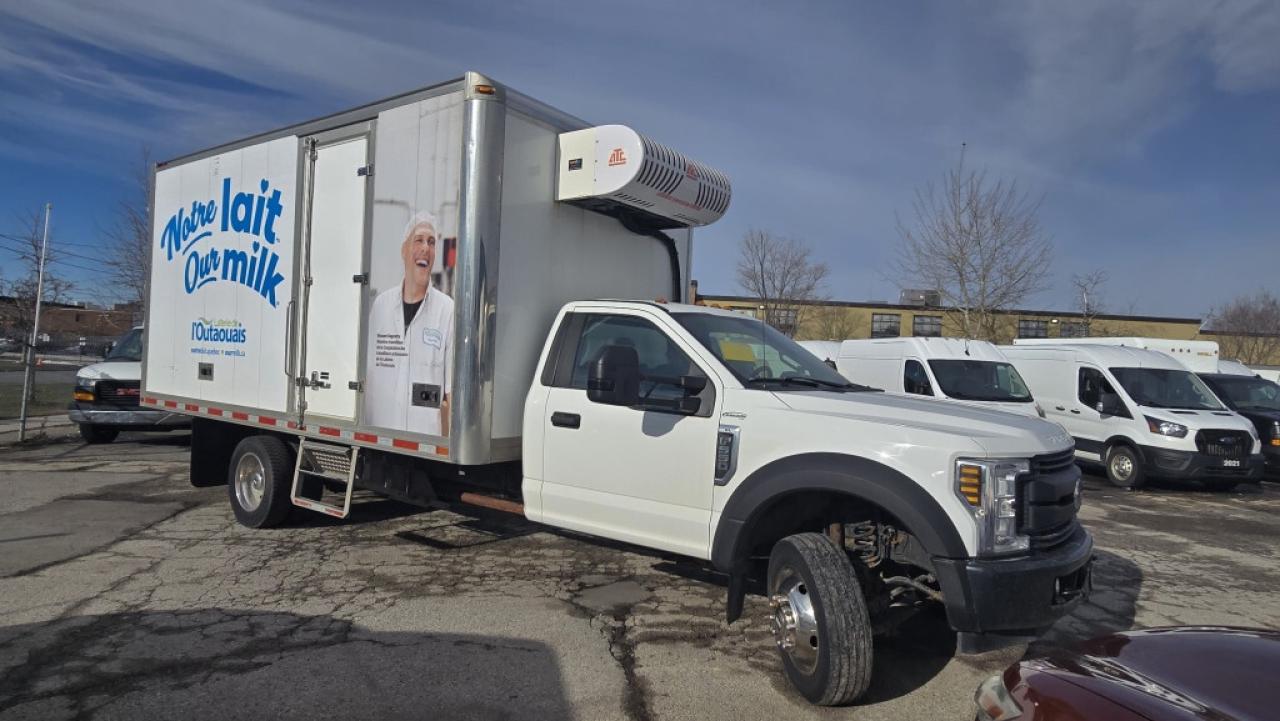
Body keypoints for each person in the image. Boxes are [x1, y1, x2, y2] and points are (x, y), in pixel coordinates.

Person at [363, 212, 455, 437]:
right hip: (379, 437)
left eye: (432, 242)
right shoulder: (381, 306)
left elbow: (452, 392)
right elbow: (368, 373)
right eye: (419, 240)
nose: (426, 248)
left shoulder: (447, 310)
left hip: (423, 445)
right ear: (404, 251)